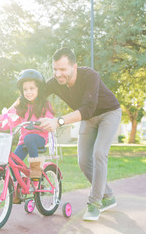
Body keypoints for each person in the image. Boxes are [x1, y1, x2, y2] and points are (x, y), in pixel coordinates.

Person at [39, 47, 122, 221]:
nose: (58, 73)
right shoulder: (55, 82)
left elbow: (87, 108)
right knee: (84, 161)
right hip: (88, 118)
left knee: (99, 153)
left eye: (62, 69)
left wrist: (58, 121)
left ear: (74, 67)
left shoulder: (90, 76)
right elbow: (33, 94)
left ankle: (94, 204)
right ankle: (108, 196)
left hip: (109, 113)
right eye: (55, 69)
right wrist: (8, 111)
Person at [0, 69, 55, 203]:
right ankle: (18, 188)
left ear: (39, 89)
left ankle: (36, 172)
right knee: (12, 162)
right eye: (25, 89)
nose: (28, 92)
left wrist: (43, 121)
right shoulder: (21, 106)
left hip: (39, 139)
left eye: (32, 88)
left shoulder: (44, 105)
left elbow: (50, 118)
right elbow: (8, 118)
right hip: (24, 141)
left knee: (30, 138)